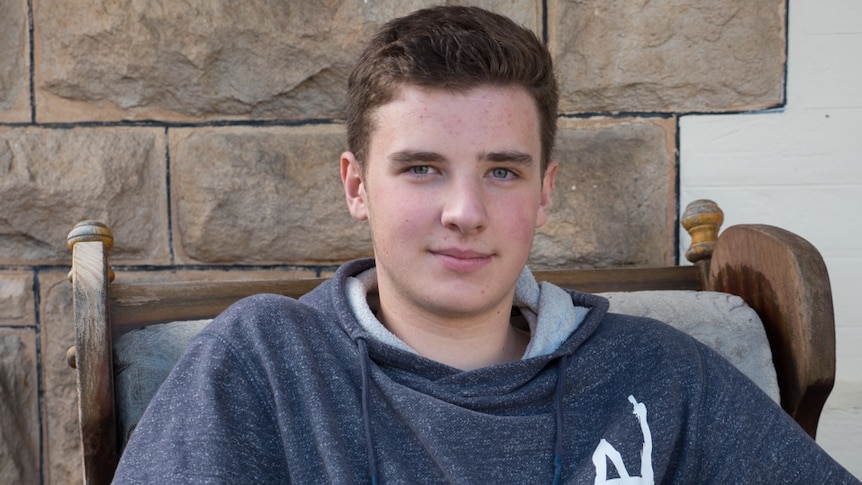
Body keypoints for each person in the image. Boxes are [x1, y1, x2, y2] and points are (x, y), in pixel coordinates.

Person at [113, 6, 859, 484]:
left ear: (544, 189)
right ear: (356, 185)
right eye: (422, 168)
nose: (465, 211)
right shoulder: (262, 367)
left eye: (502, 169)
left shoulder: (660, 377)